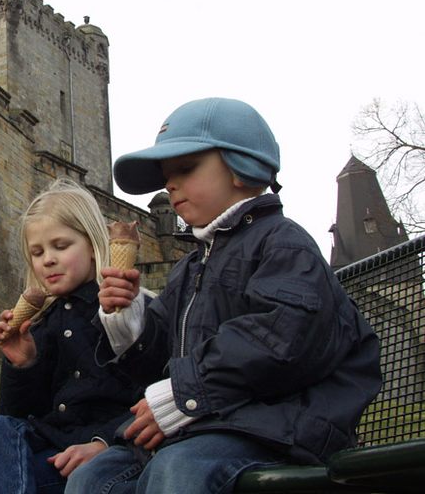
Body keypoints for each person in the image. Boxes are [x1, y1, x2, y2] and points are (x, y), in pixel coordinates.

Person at [65, 97, 382, 494]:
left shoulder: (283, 244)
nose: (170, 184)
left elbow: (279, 338)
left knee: (180, 469)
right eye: (167, 174)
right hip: (210, 423)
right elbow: (160, 356)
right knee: (92, 477)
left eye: (185, 168)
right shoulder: (191, 266)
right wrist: (127, 319)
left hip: (278, 430)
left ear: (241, 166)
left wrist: (184, 395)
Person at [0, 178, 142, 494]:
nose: (47, 260)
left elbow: (151, 394)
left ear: (94, 248)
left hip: (111, 455)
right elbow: (17, 416)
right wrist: (22, 364)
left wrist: (103, 442)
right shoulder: (39, 324)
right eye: (37, 252)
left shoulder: (125, 309)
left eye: (61, 246)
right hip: (52, 451)